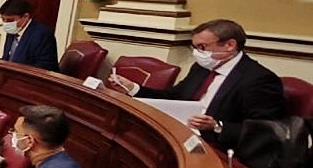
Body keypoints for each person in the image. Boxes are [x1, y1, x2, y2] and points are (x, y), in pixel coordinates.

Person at [109, 19, 286, 151]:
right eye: (194, 47)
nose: (197, 53)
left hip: (219, 148)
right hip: (182, 135)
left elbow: (267, 131)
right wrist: (133, 88)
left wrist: (218, 126)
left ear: (230, 45)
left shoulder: (258, 79)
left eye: (202, 47)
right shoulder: (202, 68)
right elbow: (175, 98)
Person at [0, 0, 59, 72]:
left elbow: (46, 66)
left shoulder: (42, 34)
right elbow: (7, 59)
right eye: (3, 19)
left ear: (25, 16)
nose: (6, 23)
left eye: (10, 20)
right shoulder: (12, 32)